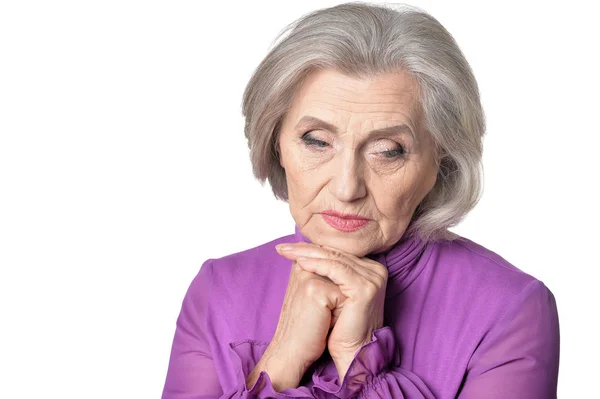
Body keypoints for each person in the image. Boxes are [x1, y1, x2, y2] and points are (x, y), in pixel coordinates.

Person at [161, 2, 560, 398]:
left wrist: (359, 359)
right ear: (275, 143)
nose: (347, 187)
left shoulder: (510, 309)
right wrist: (280, 362)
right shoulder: (218, 290)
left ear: (442, 159)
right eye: (316, 141)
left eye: (388, 151)